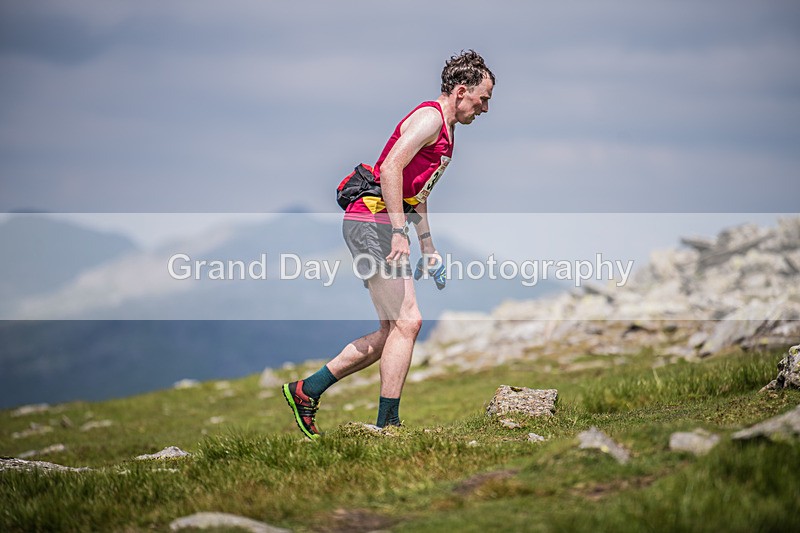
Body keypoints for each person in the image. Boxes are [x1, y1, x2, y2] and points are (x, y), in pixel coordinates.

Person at [282, 50, 495, 439]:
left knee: (391, 332)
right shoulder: (431, 118)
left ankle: (306, 390)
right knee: (408, 322)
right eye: (483, 99)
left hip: (377, 223)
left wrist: (427, 245)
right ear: (462, 90)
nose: (484, 108)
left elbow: (418, 191)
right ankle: (388, 424)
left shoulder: (446, 131)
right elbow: (391, 168)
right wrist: (399, 231)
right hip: (372, 221)